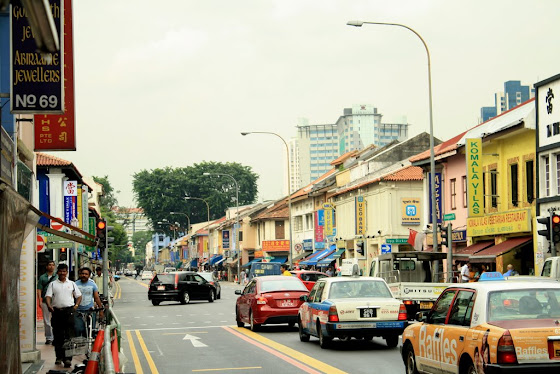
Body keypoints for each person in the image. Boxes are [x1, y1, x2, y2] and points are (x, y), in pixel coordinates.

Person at [45, 263, 82, 368]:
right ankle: (59, 357)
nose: (62, 273)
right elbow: (48, 296)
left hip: (69, 312)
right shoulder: (53, 284)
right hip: (57, 312)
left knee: (69, 336)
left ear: (66, 272)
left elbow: (79, 296)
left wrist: (76, 306)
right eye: (60, 271)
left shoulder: (72, 284)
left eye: (64, 271)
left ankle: (68, 359)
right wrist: (48, 305)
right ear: (58, 272)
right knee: (57, 335)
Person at [74, 267, 104, 337]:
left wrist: (100, 310)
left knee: (90, 330)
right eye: (82, 273)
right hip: (78, 311)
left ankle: (89, 346)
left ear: (89, 275)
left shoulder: (93, 285)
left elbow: (96, 297)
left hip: (90, 311)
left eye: (86, 274)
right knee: (78, 328)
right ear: (79, 274)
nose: (84, 275)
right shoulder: (74, 284)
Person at [37, 260, 57, 345]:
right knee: (46, 320)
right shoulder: (42, 277)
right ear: (46, 266)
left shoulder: (57, 277)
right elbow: (39, 289)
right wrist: (40, 301)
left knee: (56, 320)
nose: (51, 266)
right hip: (45, 301)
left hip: (55, 301)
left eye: (53, 265)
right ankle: (49, 337)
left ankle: (56, 337)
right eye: (49, 265)